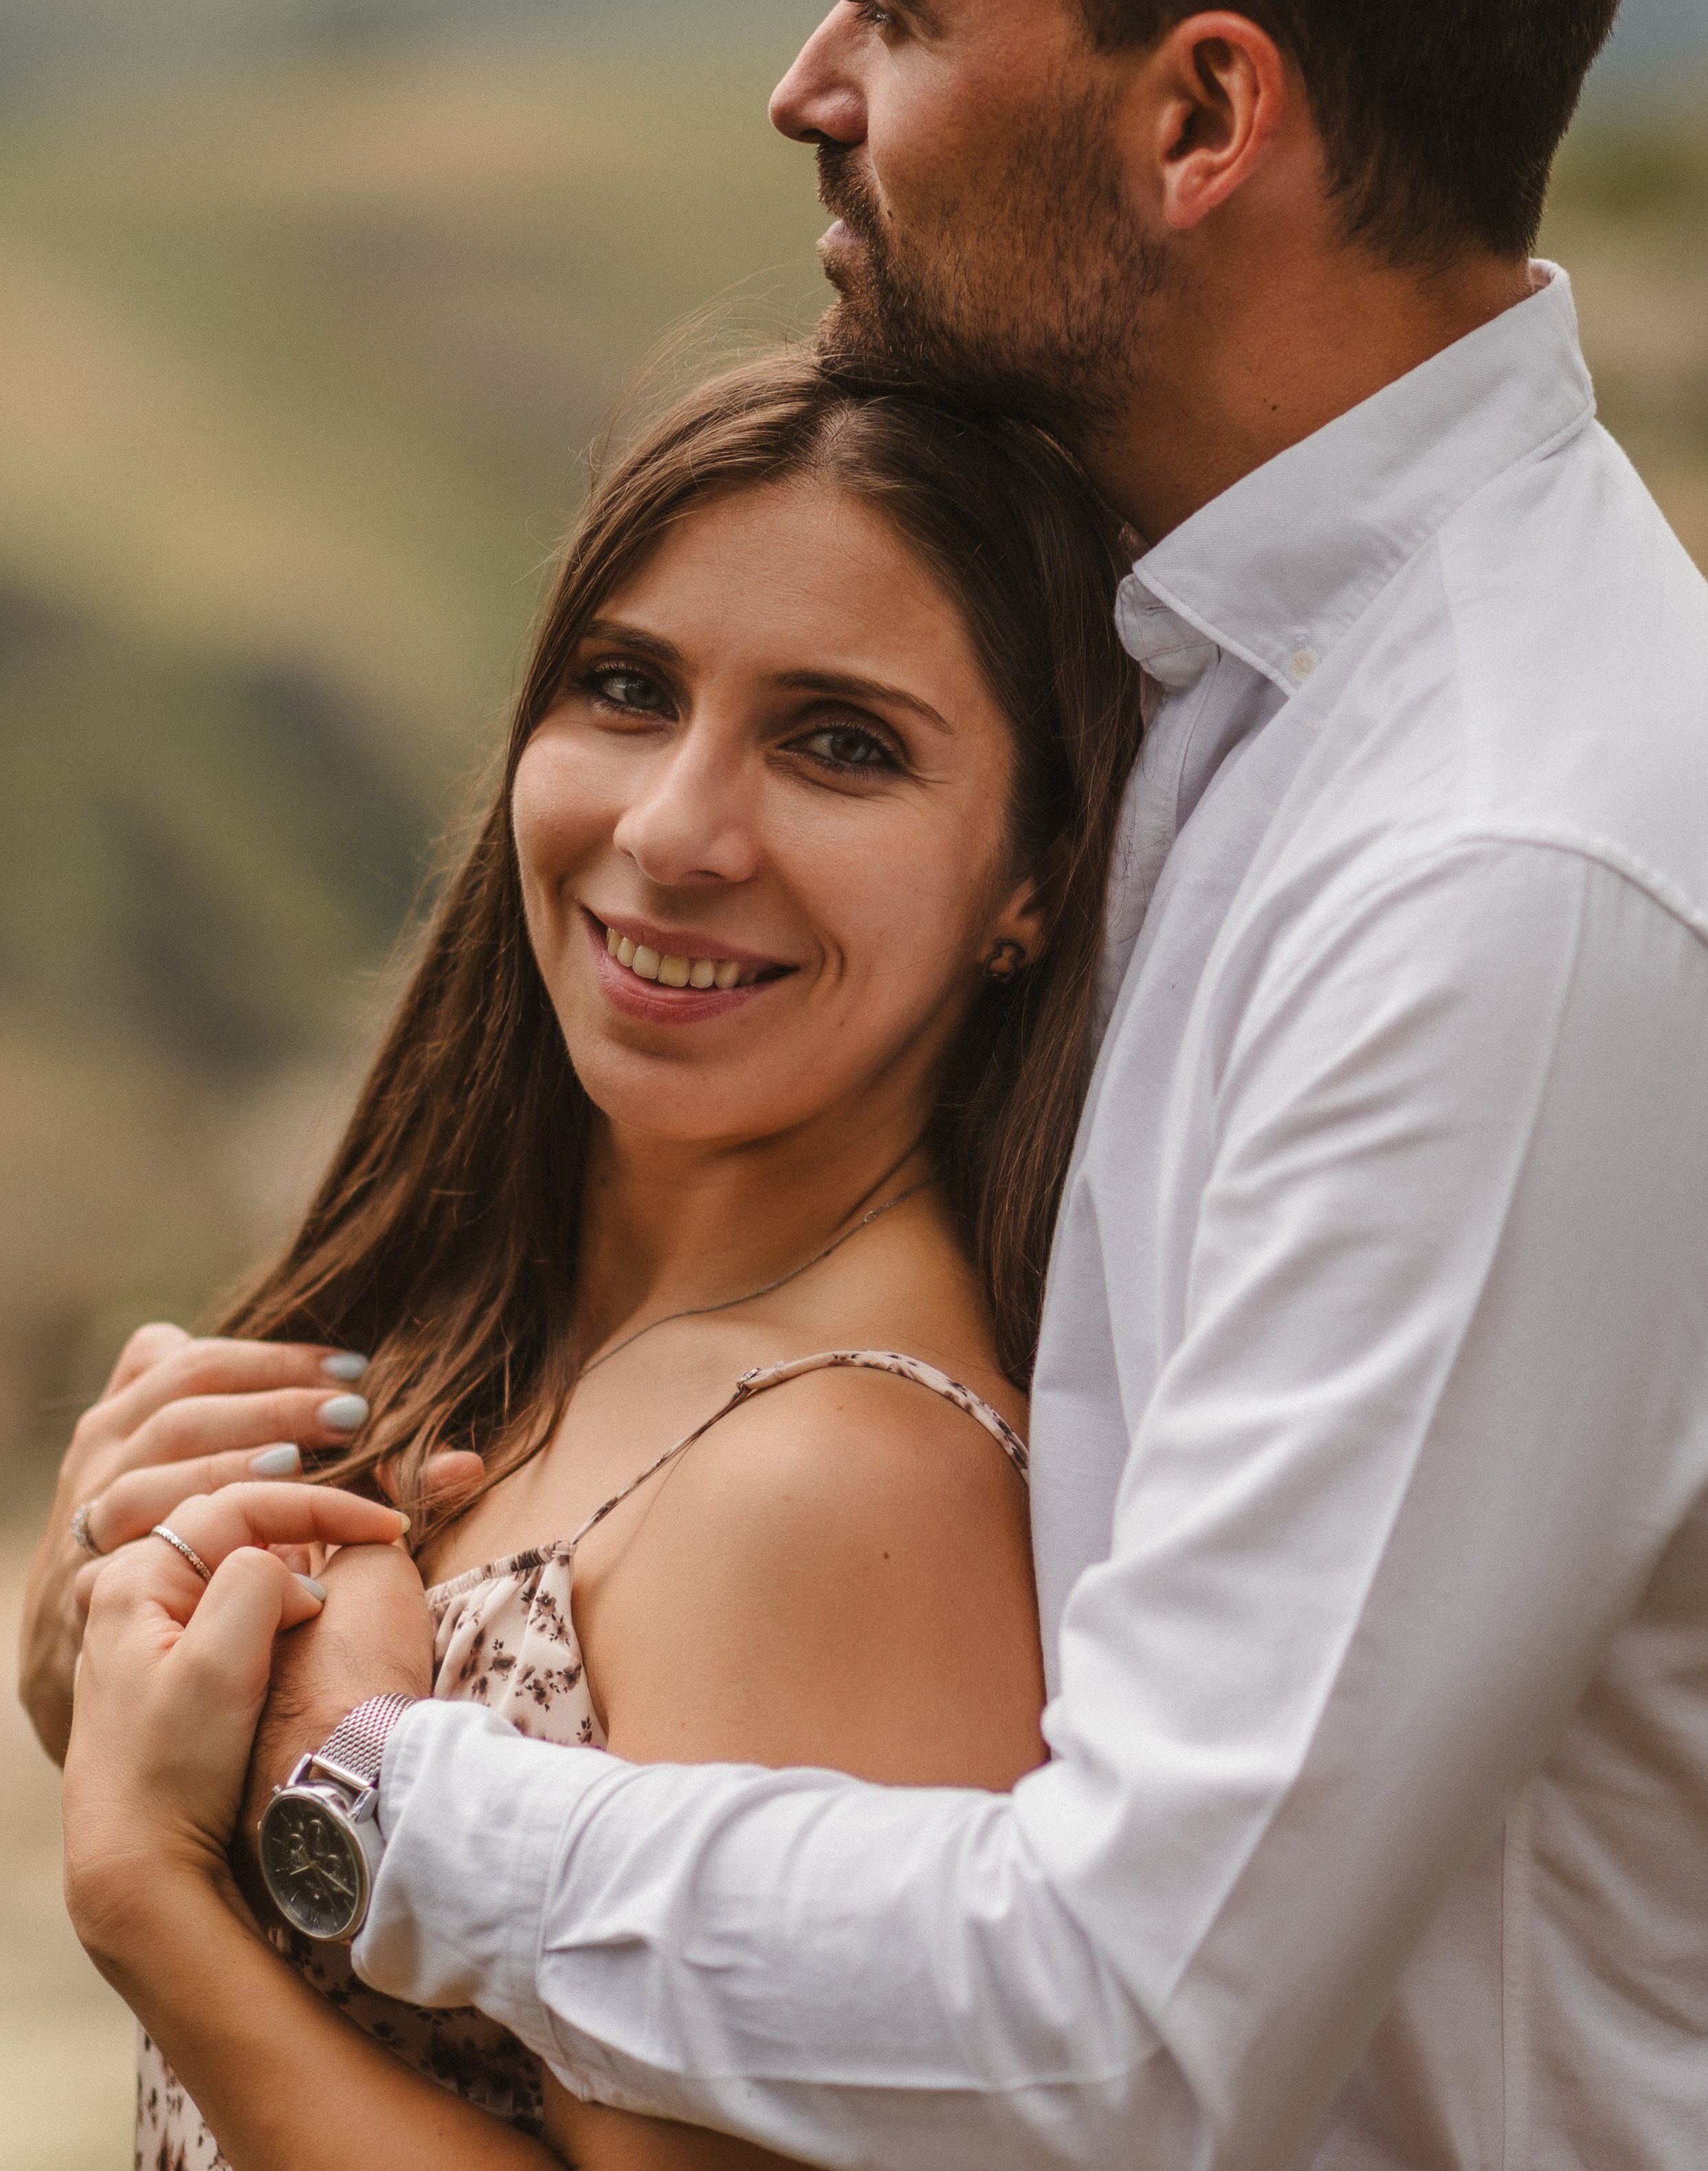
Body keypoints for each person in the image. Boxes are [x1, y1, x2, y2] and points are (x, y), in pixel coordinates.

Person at [47, 0, 1708, 2166]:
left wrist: (354, 1793)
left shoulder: (1504, 872)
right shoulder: (1191, 675)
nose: (804, 88)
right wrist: (234, 1562)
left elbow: (1131, 2018)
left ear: (1201, 118)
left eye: (895, 10)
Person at [52, 355, 1144, 2168]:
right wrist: (93, 1677)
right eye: (629, 691)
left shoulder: (831, 1483)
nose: (669, 832)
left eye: (841, 743)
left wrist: (145, 1900)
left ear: (1032, 875)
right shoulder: (505, 1345)